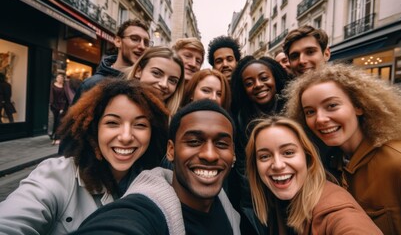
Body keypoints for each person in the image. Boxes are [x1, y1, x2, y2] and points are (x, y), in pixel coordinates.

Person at [0, 79, 169, 234]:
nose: (126, 137)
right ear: (94, 129)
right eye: (112, 123)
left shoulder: (161, 183)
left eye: (140, 125)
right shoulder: (58, 175)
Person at [283, 63, 401, 234]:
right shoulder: (329, 161)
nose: (320, 119)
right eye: (310, 112)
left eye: (331, 106)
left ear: (359, 106)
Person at [71, 99, 240, 235]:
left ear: (233, 154)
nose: (210, 155)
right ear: (171, 151)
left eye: (222, 144)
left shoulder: (227, 206)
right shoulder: (143, 209)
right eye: (194, 142)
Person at [245, 116, 382, 234]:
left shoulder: (334, 211)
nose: (278, 165)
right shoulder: (277, 201)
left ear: (308, 157)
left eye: (288, 152)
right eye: (264, 156)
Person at [229, 55, 292, 234]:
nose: (257, 85)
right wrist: (252, 203)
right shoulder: (241, 118)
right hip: (258, 198)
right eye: (249, 83)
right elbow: (243, 166)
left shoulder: (292, 107)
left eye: (264, 78)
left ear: (275, 78)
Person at [72, 19, 150, 103]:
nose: (142, 46)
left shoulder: (145, 86)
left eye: (146, 43)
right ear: (118, 41)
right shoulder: (92, 84)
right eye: (134, 39)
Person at [125, 46, 185, 116]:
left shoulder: (178, 120)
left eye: (172, 80)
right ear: (138, 71)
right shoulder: (114, 102)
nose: (164, 84)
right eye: (156, 73)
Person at [49, 74, 70, 145]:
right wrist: (51, 104)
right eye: (58, 77)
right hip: (54, 105)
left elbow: (65, 97)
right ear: (56, 78)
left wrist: (62, 108)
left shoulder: (64, 86)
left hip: (62, 106)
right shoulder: (53, 85)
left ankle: (56, 137)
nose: (59, 79)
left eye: (61, 78)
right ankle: (53, 134)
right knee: (54, 121)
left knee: (59, 121)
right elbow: (51, 95)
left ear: (62, 79)